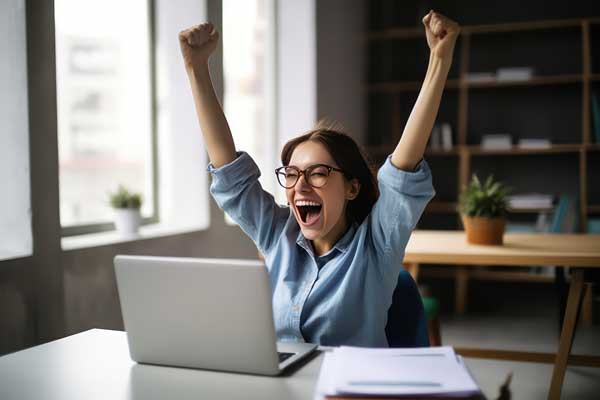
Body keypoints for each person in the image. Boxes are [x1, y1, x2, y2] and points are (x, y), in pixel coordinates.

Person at [178, 10, 460, 347]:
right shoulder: (277, 234)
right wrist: (196, 68)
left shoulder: (377, 246)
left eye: (318, 173)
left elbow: (403, 165)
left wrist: (439, 60)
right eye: (293, 174)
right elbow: (229, 172)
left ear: (352, 187)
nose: (300, 185)